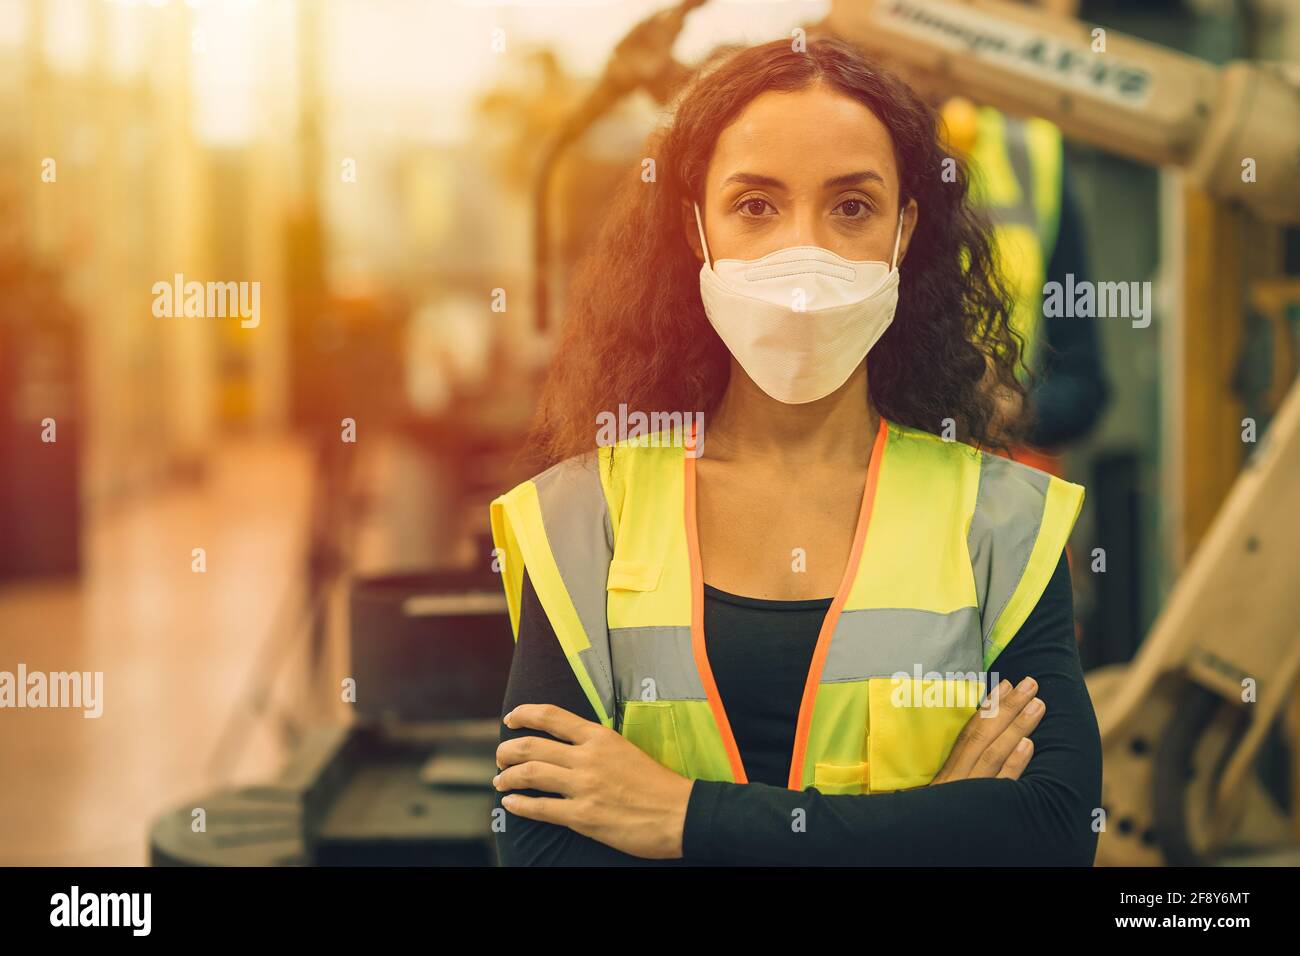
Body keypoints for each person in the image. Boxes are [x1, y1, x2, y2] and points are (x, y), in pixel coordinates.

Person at [488, 37, 1101, 866]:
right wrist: (932, 826)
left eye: (851, 207)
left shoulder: (1000, 522)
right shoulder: (584, 515)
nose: (803, 259)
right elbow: (540, 849)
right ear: (695, 229)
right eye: (756, 206)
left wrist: (683, 818)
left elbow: (1053, 833)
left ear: (904, 230)